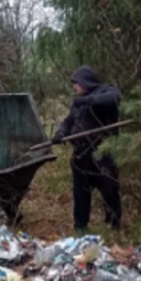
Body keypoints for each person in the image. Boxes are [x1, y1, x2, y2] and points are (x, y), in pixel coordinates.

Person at [51, 66, 122, 231]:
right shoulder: (78, 101)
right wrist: (60, 133)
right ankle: (80, 227)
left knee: (109, 190)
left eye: (76, 83)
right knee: (81, 194)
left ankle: (113, 225)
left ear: (85, 81)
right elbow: (69, 121)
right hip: (81, 155)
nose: (74, 87)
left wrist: (88, 100)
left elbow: (114, 98)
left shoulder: (106, 90)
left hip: (102, 153)